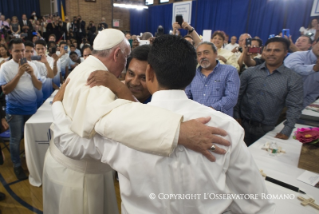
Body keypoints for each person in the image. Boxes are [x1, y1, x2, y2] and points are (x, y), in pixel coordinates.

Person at [51, 35, 275, 214]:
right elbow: (255, 204)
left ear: (149, 72)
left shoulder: (119, 125)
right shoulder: (226, 127)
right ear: (191, 77)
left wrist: (57, 105)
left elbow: (69, 144)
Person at [234, 37, 303, 146]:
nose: (271, 53)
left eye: (277, 50)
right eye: (268, 50)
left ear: (285, 53)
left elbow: (294, 106)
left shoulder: (293, 78)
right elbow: (237, 95)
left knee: (259, 160)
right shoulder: (250, 73)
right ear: (263, 51)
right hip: (241, 125)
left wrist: (287, 130)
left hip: (267, 130)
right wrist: (236, 116)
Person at [0, 38, 42, 180]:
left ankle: (31, 161)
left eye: (23, 50)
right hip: (15, 109)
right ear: (10, 51)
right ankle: (17, 165)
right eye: (17, 50)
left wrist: (31, 74)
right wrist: (18, 74)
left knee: (31, 138)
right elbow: (5, 90)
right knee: (15, 139)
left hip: (31, 109)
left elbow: (39, 86)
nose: (21, 53)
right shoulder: (5, 67)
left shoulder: (32, 65)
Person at [185, 42, 240, 117]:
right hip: (197, 120)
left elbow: (231, 98)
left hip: (220, 122)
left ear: (216, 54)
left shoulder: (229, 71)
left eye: (206, 53)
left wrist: (209, 110)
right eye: (199, 54)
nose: (202, 56)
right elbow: (187, 97)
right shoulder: (192, 74)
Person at [284, 37, 319, 107]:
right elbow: (295, 69)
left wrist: (299, 109)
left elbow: (314, 94)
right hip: (279, 102)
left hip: (298, 107)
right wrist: (315, 68)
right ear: (314, 43)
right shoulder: (298, 55)